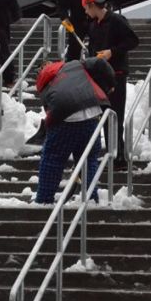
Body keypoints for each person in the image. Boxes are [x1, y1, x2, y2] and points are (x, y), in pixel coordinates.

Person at [33, 57, 116, 205]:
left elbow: (51, 109)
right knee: (88, 159)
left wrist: (48, 128)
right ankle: (91, 199)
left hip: (65, 119)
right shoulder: (75, 65)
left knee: (53, 159)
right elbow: (100, 63)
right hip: (91, 113)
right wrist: (110, 85)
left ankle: (44, 200)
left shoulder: (43, 83)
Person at [84, 0, 140, 166]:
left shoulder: (117, 20)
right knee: (104, 117)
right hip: (99, 76)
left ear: (92, 5)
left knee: (115, 115)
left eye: (86, 8)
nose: (85, 12)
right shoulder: (93, 25)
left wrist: (111, 52)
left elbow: (133, 40)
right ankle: (112, 154)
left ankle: (119, 157)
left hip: (116, 74)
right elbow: (93, 48)